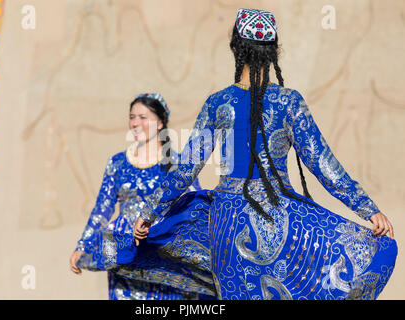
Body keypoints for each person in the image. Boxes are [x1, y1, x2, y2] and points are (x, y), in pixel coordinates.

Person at [134, 9, 398, 300]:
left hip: (228, 221)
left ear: (235, 47)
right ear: (274, 52)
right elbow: (323, 163)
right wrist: (368, 209)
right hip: (279, 218)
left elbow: (187, 168)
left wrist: (149, 212)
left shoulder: (218, 103)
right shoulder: (289, 102)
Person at [69, 93, 212, 300]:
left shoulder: (176, 163)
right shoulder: (117, 163)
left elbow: (193, 205)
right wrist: (83, 246)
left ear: (160, 122)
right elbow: (102, 209)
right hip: (125, 254)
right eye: (132, 117)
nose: (135, 123)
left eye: (143, 117)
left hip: (163, 254)